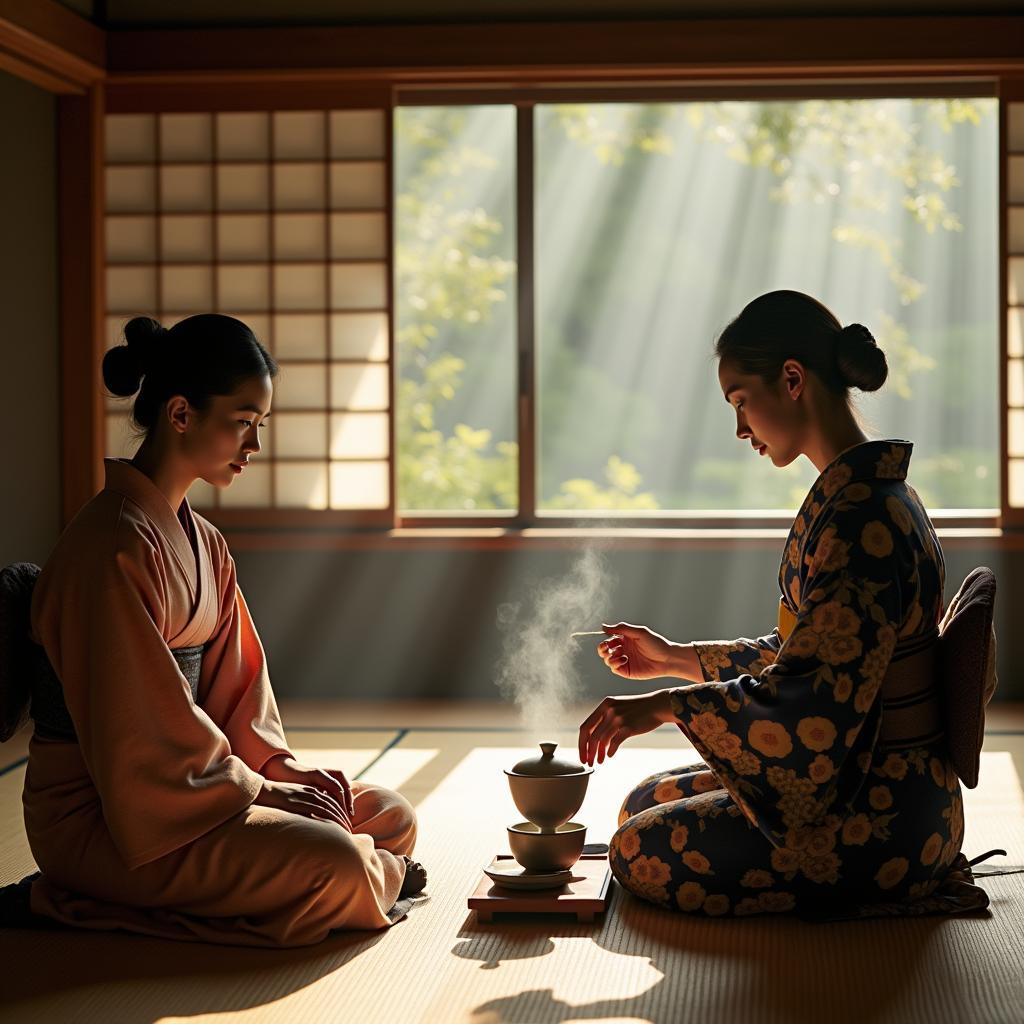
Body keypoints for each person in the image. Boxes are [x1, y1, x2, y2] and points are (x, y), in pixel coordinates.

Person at [19, 313, 425, 947]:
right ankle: (364, 877)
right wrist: (262, 794)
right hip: (111, 816)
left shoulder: (203, 543)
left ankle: (368, 871)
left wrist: (280, 776)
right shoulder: (110, 547)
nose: (254, 446)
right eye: (242, 423)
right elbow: (144, 738)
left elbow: (240, 694)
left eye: (258, 426)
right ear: (181, 414)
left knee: (387, 814)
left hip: (197, 789)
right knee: (339, 863)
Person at [577, 289, 970, 919]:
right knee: (642, 800)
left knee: (636, 851)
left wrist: (669, 706)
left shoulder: (859, 519)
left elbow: (810, 704)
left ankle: (892, 886)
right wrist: (675, 659)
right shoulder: (865, 498)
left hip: (884, 813)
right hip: (883, 785)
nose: (739, 429)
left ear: (792, 379)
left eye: (739, 401)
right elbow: (813, 656)